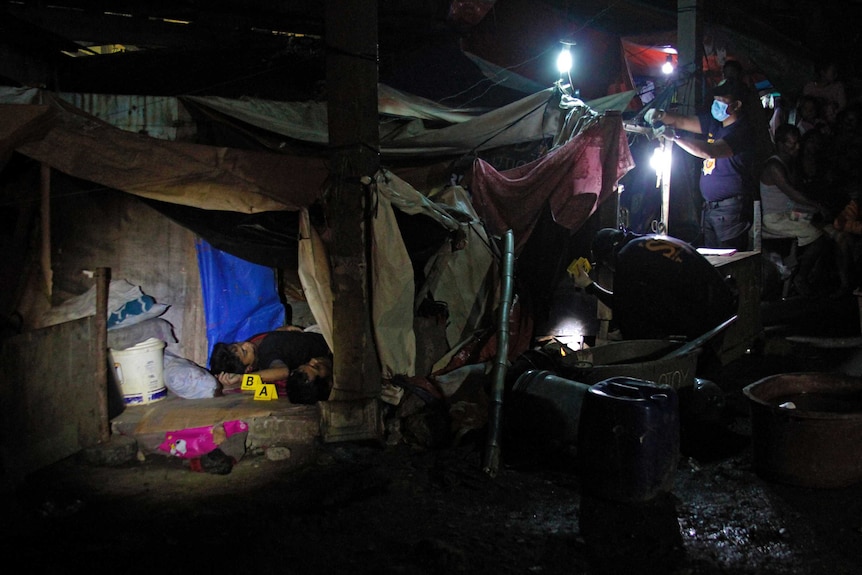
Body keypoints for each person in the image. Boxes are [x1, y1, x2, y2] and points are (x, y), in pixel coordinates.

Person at [569, 228, 738, 342]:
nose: (610, 269)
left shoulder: (626, 255)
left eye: (606, 264)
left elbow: (623, 306)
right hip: (722, 300)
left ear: (609, 255)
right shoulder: (646, 240)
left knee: (634, 319)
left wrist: (590, 286)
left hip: (705, 312)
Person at [645, 78, 756, 250]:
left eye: (721, 101)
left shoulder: (741, 132)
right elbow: (681, 121)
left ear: (736, 105)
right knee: (712, 260)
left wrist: (675, 137)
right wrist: (661, 115)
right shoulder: (714, 124)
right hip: (711, 209)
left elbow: (710, 151)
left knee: (728, 262)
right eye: (715, 99)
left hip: (731, 211)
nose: (716, 103)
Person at [759, 124, 829, 297]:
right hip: (776, 217)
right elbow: (794, 194)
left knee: (824, 227)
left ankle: (805, 270)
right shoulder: (774, 166)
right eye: (793, 143)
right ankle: (800, 276)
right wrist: (817, 206)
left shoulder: (788, 163)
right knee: (818, 236)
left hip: (789, 213)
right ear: (781, 144)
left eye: (798, 143)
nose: (798, 147)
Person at [208, 327, 331, 400]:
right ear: (248, 369)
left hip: (324, 339)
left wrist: (283, 331)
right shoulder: (266, 356)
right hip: (323, 345)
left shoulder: (261, 349)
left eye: (238, 345)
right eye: (245, 352)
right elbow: (283, 371)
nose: (245, 344)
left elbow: (283, 370)